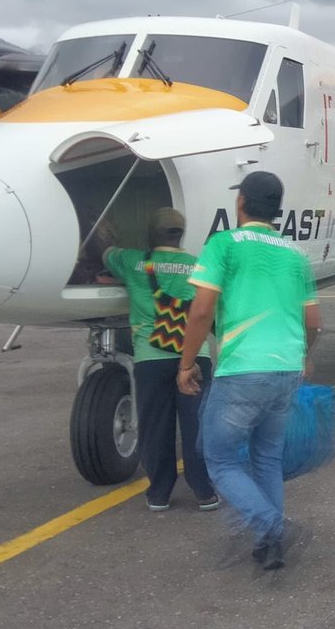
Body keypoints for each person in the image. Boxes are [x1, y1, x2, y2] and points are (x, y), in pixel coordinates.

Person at [178, 171, 322, 571]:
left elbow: (201, 311)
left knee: (219, 458)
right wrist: (302, 354)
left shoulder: (223, 244)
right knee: (267, 458)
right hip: (286, 369)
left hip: (242, 369)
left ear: (240, 202)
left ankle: (271, 524)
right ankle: (269, 543)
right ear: (277, 209)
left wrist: (186, 364)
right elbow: (313, 322)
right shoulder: (296, 255)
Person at [100, 208, 219, 512]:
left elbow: (106, 252)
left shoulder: (133, 261)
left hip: (150, 358)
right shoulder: (198, 264)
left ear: (151, 233)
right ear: (181, 234)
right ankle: (204, 491)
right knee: (197, 425)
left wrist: (106, 231)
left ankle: (159, 493)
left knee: (155, 427)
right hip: (194, 357)